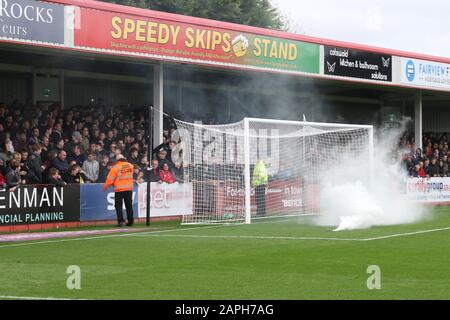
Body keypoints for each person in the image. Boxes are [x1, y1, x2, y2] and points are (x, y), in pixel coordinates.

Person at [103, 154, 135, 227]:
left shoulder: (116, 167)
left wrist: (105, 186)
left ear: (117, 160)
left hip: (119, 189)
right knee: (129, 205)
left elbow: (110, 178)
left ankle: (121, 221)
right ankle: (131, 221)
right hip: (129, 188)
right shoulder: (131, 165)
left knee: (118, 206)